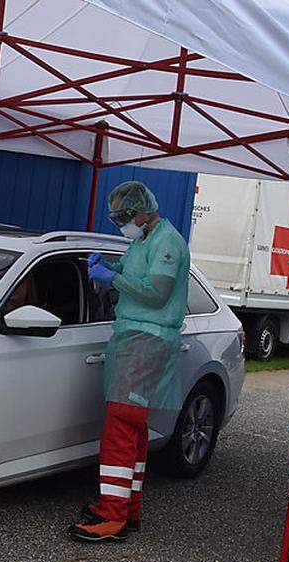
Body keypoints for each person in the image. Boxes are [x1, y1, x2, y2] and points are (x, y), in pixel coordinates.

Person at [69, 180, 190, 543]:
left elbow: (156, 293)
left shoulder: (166, 241)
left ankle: (112, 515)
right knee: (132, 427)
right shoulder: (143, 240)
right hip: (134, 337)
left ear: (142, 210)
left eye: (124, 217)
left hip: (147, 339)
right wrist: (104, 267)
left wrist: (112, 277)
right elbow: (128, 272)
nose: (121, 223)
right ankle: (127, 507)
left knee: (120, 425)